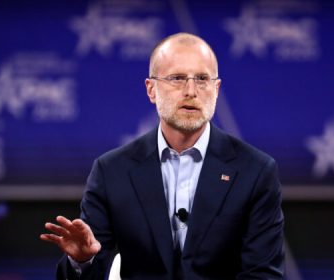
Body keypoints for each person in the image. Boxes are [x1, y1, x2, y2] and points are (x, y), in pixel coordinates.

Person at [41, 32, 284, 279]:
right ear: (151, 89)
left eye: (202, 79)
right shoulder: (111, 171)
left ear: (216, 88)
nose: (191, 91)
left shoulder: (255, 171)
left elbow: (263, 274)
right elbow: (86, 272)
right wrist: (83, 259)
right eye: (177, 78)